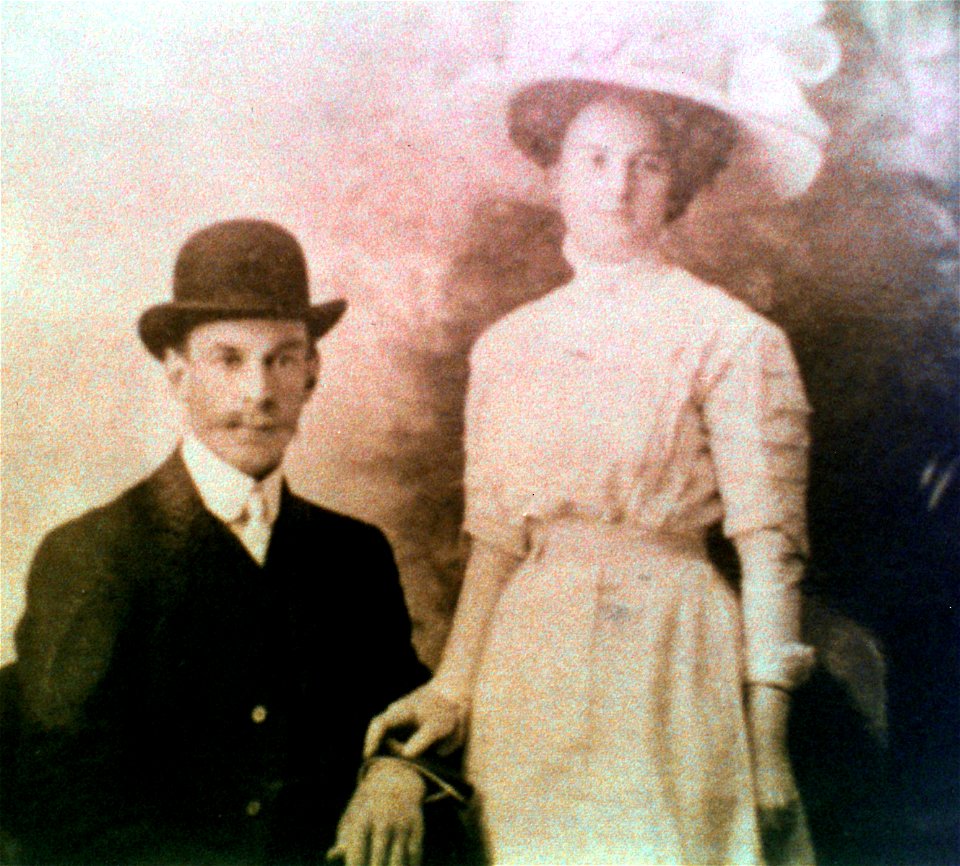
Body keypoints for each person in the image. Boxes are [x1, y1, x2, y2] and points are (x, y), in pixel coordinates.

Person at [365, 8, 839, 865]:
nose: (617, 187)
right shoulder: (507, 346)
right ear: (554, 173)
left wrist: (767, 746)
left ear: (679, 181)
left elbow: (771, 555)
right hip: (532, 663)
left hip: (672, 658)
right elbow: (499, 542)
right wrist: (454, 685)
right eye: (593, 160)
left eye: (646, 164)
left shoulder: (733, 340)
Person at [2, 219, 467, 866]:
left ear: (312, 372)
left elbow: (403, 706)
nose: (259, 392)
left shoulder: (354, 555)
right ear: (176, 370)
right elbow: (61, 793)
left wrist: (396, 773)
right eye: (228, 359)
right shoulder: (94, 555)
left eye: (282, 358)